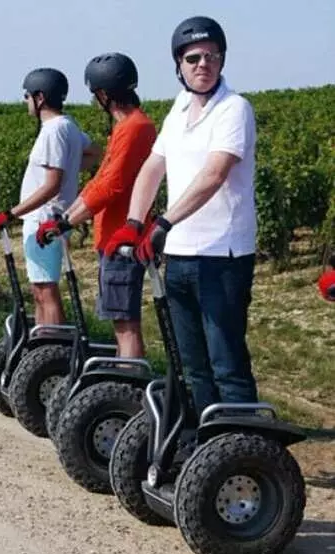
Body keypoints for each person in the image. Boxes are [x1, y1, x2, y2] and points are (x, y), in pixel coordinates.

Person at [103, 16, 259, 415]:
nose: (203, 64)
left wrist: (164, 223)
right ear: (179, 64)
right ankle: (207, 439)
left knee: (226, 362)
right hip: (180, 254)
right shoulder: (179, 108)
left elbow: (215, 174)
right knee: (192, 366)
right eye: (193, 58)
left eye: (212, 56)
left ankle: (243, 440)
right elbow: (153, 167)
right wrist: (134, 223)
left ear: (222, 60)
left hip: (223, 256)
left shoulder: (234, 109)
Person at [36, 53, 157, 358]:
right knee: (120, 322)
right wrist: (63, 218)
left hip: (122, 238)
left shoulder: (135, 127)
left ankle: (128, 381)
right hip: (112, 236)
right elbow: (99, 180)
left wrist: (66, 222)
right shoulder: (126, 127)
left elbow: (110, 186)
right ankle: (124, 377)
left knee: (126, 324)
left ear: (103, 94)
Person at [0, 68, 100, 326]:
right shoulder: (68, 125)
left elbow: (51, 185)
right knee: (41, 291)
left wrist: (9, 214)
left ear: (40, 98)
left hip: (43, 219)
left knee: (46, 292)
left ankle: (54, 345)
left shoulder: (52, 131)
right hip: (51, 217)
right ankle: (43, 341)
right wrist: (71, 168)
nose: (25, 101)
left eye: (27, 96)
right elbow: (95, 152)